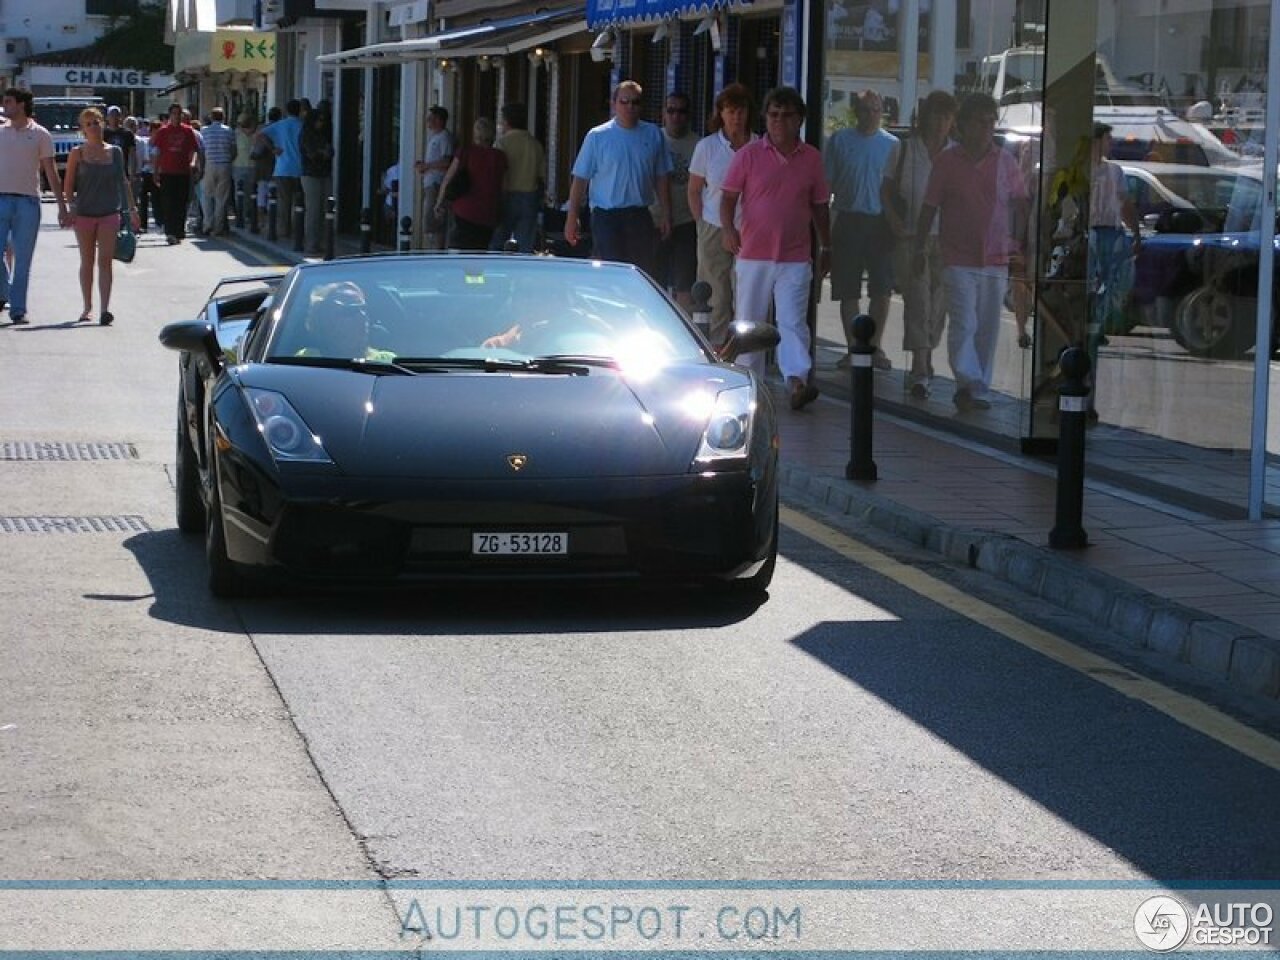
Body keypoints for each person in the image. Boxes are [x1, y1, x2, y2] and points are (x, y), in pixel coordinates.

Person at [915, 93, 1029, 411]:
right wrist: (919, 247)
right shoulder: (947, 162)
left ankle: (978, 386)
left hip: (995, 256)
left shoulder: (1005, 161)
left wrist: (1021, 245)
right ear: (964, 125)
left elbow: (1021, 204)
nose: (988, 127)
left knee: (988, 326)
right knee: (964, 322)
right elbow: (929, 207)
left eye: (992, 122)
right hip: (957, 257)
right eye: (981, 121)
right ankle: (969, 381)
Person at [720, 86, 831, 410]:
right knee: (750, 322)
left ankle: (796, 380)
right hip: (753, 254)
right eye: (773, 115)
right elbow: (727, 198)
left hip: (795, 256)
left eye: (787, 115)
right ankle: (748, 383)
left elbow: (820, 206)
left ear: (800, 120)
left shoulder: (811, 158)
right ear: (765, 118)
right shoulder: (749, 155)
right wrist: (728, 230)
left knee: (793, 321)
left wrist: (827, 246)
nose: (779, 121)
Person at [881, 89, 957, 399]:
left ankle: (925, 354)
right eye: (936, 115)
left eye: (946, 116)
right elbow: (885, 190)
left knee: (939, 306)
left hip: (948, 240)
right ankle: (921, 368)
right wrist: (894, 222)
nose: (940, 122)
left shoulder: (956, 154)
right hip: (912, 237)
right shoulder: (904, 150)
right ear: (924, 118)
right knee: (918, 301)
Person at [565, 80, 673, 278]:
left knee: (641, 273)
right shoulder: (598, 136)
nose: (630, 107)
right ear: (614, 104)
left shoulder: (653, 134)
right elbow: (580, 179)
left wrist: (666, 213)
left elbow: (662, 177)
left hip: (639, 215)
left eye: (635, 102)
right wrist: (572, 217)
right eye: (624, 102)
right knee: (610, 272)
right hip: (607, 216)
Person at [824, 88, 898, 370]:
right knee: (847, 290)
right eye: (865, 110)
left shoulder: (892, 145)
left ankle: (874, 346)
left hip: (880, 222)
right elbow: (828, 184)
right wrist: (825, 231)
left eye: (875, 110)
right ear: (856, 112)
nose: (870, 115)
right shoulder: (840, 141)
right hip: (848, 219)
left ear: (882, 112)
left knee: (882, 289)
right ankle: (854, 347)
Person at [688, 83, 756, 347]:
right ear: (721, 113)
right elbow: (694, 189)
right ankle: (715, 348)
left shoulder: (759, 145)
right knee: (715, 294)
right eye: (730, 111)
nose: (736, 117)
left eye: (741, 111)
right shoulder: (707, 147)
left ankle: (745, 348)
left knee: (745, 293)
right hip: (713, 226)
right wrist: (701, 223)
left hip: (750, 229)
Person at [63, 107, 140, 326]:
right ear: (83, 130)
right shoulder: (77, 153)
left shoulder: (114, 151)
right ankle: (87, 307)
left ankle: (105, 309)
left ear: (103, 124)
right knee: (87, 261)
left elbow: (123, 182)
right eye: (88, 124)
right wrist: (71, 206)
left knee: (105, 261)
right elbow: (68, 184)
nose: (93, 127)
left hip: (109, 213)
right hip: (85, 214)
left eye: (96, 122)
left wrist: (132, 210)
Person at [0, 87, 70, 324]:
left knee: (23, 259)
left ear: (20, 105)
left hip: (28, 202)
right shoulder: (0, 131)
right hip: (0, 198)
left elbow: (51, 172)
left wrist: (62, 206)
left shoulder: (40, 134)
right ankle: (6, 291)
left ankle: (18, 309)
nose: (5, 106)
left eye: (8, 102)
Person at [1087, 122, 1140, 418]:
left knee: (1117, 281)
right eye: (1107, 139)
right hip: (1090, 233)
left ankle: (1102, 319)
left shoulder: (1114, 171)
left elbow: (1125, 203)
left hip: (1110, 233)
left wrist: (1135, 232)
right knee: (1092, 285)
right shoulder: (1084, 171)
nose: (1110, 144)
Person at [651, 91, 699, 310]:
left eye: (681, 111)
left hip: (687, 221)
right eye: (671, 110)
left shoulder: (699, 144)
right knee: (653, 282)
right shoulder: (652, 140)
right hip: (653, 221)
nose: (676, 116)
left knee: (685, 282)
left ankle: (684, 331)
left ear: (689, 115)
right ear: (663, 114)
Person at [436, 116, 506, 251]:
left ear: (475, 134)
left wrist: (439, 201)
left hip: (464, 209)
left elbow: (448, 178)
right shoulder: (500, 157)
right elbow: (503, 186)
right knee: (480, 253)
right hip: (488, 213)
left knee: (458, 250)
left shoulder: (466, 152)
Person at [490, 102, 545, 253]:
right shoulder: (535, 145)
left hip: (507, 195)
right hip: (529, 197)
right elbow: (541, 176)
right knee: (525, 245)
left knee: (497, 241)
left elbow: (495, 173)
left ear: (506, 122)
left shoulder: (501, 143)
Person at [296, 282, 394, 361]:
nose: (362, 316)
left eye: (363, 309)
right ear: (324, 319)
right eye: (350, 310)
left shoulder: (388, 362)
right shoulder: (305, 360)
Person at [150, 102, 201, 244]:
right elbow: (156, 152)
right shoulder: (163, 131)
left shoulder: (188, 131)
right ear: (170, 115)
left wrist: (193, 162)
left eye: (179, 114)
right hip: (167, 171)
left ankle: (179, 231)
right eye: (174, 114)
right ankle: (170, 232)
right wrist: (155, 171)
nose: (177, 116)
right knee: (168, 203)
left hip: (183, 172)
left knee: (182, 202)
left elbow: (194, 149)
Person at [262, 99, 304, 239]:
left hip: (283, 169)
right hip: (300, 169)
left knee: (283, 202)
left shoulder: (280, 125)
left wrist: (273, 149)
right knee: (299, 202)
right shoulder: (303, 125)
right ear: (300, 110)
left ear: (286, 111)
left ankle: (283, 230)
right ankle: (297, 230)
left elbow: (260, 135)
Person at [415, 106, 455, 250]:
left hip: (437, 184)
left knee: (436, 221)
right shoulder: (434, 137)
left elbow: (447, 161)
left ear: (439, 120)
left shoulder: (444, 137)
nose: (428, 121)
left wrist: (428, 166)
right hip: (431, 182)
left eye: (431, 118)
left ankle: (439, 251)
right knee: (430, 221)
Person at [299, 100, 334, 255]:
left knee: (324, 211)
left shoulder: (322, 135)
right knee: (313, 211)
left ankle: (320, 242)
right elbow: (312, 154)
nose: (322, 123)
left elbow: (330, 152)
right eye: (319, 120)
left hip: (324, 174)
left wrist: (325, 152)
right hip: (310, 175)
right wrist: (323, 153)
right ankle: (311, 244)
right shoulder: (306, 135)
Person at [199, 106, 236, 236]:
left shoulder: (204, 131)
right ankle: (218, 227)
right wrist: (228, 160)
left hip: (209, 164)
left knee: (207, 195)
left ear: (211, 117)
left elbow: (201, 151)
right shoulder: (229, 131)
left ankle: (207, 224)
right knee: (221, 198)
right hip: (224, 164)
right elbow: (233, 150)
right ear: (223, 117)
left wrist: (201, 167)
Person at [253, 106, 282, 231]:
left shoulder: (262, 128)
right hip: (275, 164)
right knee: (273, 195)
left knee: (262, 193)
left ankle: (261, 221)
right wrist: (272, 149)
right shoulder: (279, 129)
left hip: (261, 165)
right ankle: (271, 222)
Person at [232, 111, 258, 232]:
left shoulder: (256, 135)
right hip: (240, 166)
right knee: (241, 193)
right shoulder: (236, 134)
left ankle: (247, 215)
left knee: (250, 193)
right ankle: (241, 215)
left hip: (249, 167)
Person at [101, 106, 138, 183]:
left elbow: (132, 154)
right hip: (106, 171)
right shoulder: (103, 133)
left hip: (122, 171)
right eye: (112, 115)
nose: (114, 118)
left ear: (120, 117)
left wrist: (132, 173)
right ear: (107, 117)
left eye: (117, 115)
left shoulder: (127, 134)